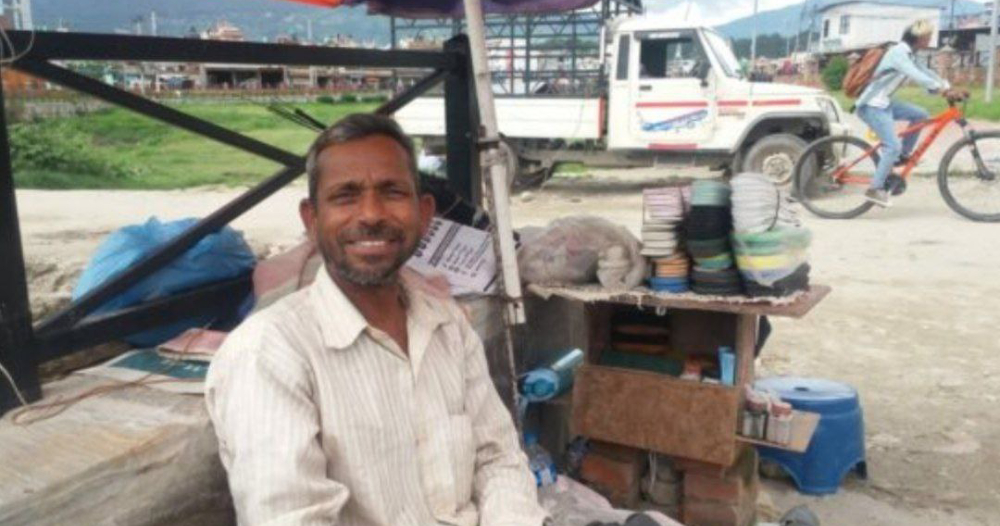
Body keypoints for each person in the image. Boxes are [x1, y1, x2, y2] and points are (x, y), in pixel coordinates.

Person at [205, 113, 549, 526]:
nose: (370, 214)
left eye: (392, 192)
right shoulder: (267, 353)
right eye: (345, 196)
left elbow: (499, 459)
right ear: (312, 220)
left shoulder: (448, 325)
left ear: (424, 214)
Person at [855, 20, 962, 207]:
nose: (930, 40)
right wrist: (941, 90)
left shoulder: (910, 54)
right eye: (928, 37)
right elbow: (915, 74)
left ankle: (901, 156)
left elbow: (925, 72)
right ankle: (875, 189)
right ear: (919, 38)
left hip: (884, 103)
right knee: (892, 146)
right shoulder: (898, 53)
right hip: (871, 105)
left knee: (920, 114)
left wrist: (948, 87)